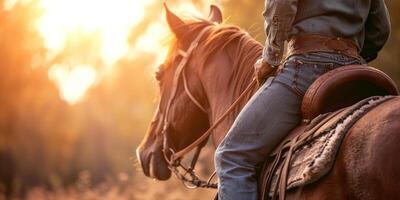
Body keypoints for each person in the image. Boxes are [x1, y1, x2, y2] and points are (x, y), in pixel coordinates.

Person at [214, 0, 391, 199]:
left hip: (305, 69)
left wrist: (270, 57)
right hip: (355, 70)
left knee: (232, 156)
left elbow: (280, 5)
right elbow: (380, 28)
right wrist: (353, 58)